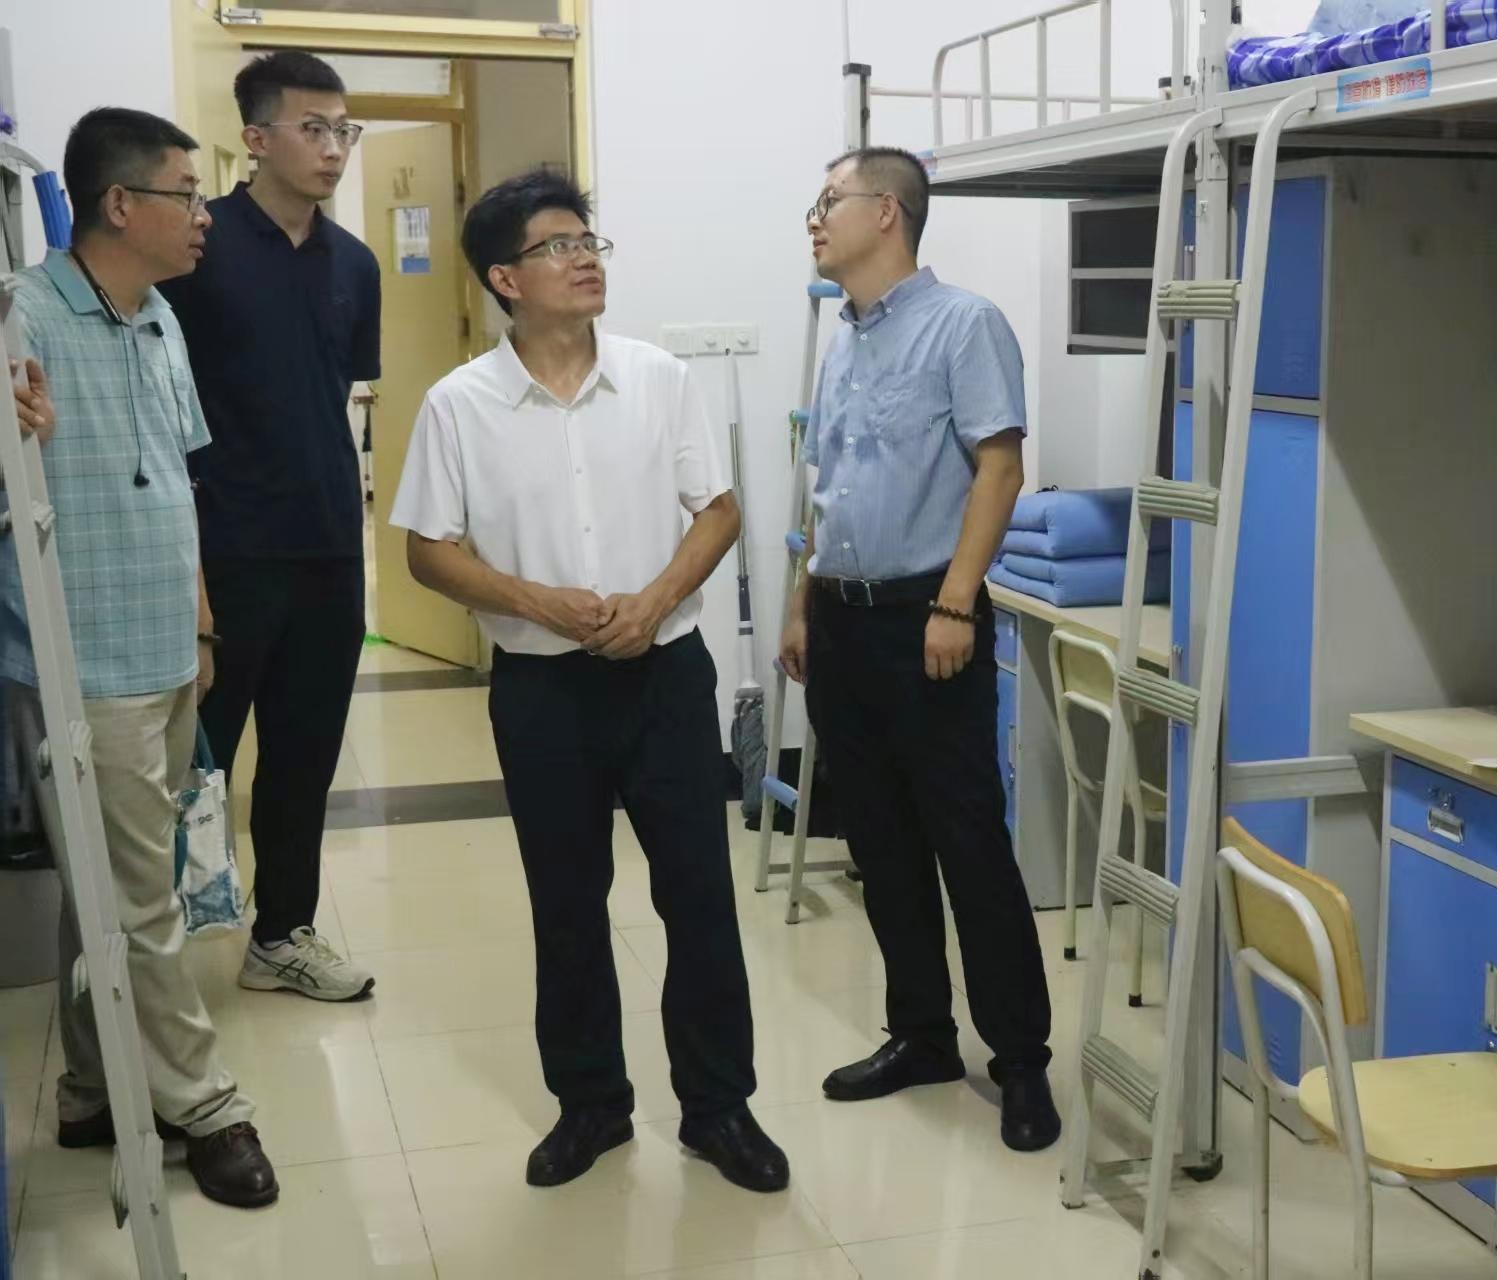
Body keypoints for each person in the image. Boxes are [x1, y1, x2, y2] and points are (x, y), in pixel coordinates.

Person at [391, 170, 787, 1194]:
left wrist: (654, 602)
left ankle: (719, 1107)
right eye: (559, 246)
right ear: (505, 278)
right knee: (566, 902)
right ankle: (592, 1105)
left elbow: (720, 511)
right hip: (542, 693)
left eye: (589, 242)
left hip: (665, 678)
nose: (585, 260)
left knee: (698, 895)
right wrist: (537, 601)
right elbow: (428, 551)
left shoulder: (659, 378)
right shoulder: (459, 405)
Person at [0, 107, 278, 1208]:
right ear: (121, 204)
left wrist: (201, 626)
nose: (204, 215)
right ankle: (203, 1104)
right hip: (82, 664)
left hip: (163, 647)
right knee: (143, 900)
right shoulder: (21, 320)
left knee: (112, 889)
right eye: (186, 194)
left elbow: (177, 480)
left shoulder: (159, 317)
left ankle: (91, 1086)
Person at [780, 146, 1059, 1152]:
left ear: (887, 212)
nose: (815, 219)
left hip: (926, 620)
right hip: (842, 620)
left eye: (830, 200)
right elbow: (831, 488)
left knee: (967, 841)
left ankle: (1020, 1059)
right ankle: (922, 1034)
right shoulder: (845, 341)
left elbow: (999, 468)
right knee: (881, 843)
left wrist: (955, 601)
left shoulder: (963, 324)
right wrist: (803, 603)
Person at [158, 51, 378, 1002]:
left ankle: (283, 934)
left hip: (328, 546)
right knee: (192, 761)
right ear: (255, 137)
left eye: (344, 130)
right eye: (313, 128)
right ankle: (152, 952)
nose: (334, 148)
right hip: (223, 550)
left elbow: (334, 394)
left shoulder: (355, 263)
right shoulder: (197, 250)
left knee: (304, 757)